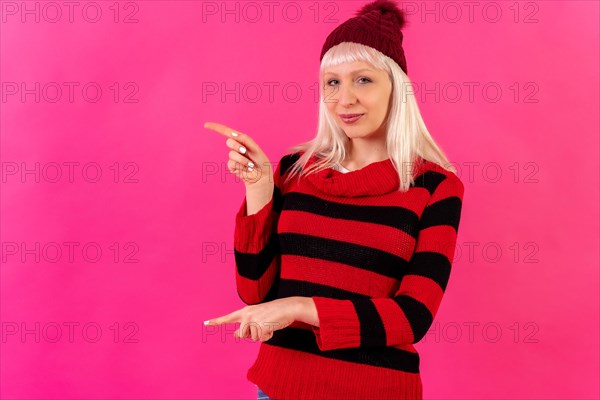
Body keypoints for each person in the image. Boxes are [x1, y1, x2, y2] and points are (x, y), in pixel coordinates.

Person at [203, 0, 465, 399]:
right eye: (332, 82)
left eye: (363, 80)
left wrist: (298, 308)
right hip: (277, 388)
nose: (345, 100)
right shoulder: (295, 168)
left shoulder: (435, 186)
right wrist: (258, 190)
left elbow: (413, 317)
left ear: (397, 87)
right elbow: (256, 293)